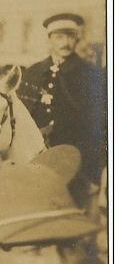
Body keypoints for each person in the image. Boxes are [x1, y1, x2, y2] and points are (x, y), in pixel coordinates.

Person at [18, 13, 106, 190]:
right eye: (59, 37)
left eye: (70, 36)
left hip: (79, 164)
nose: (65, 42)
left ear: (76, 39)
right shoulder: (33, 73)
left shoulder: (92, 74)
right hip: (37, 163)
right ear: (49, 40)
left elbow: (99, 125)